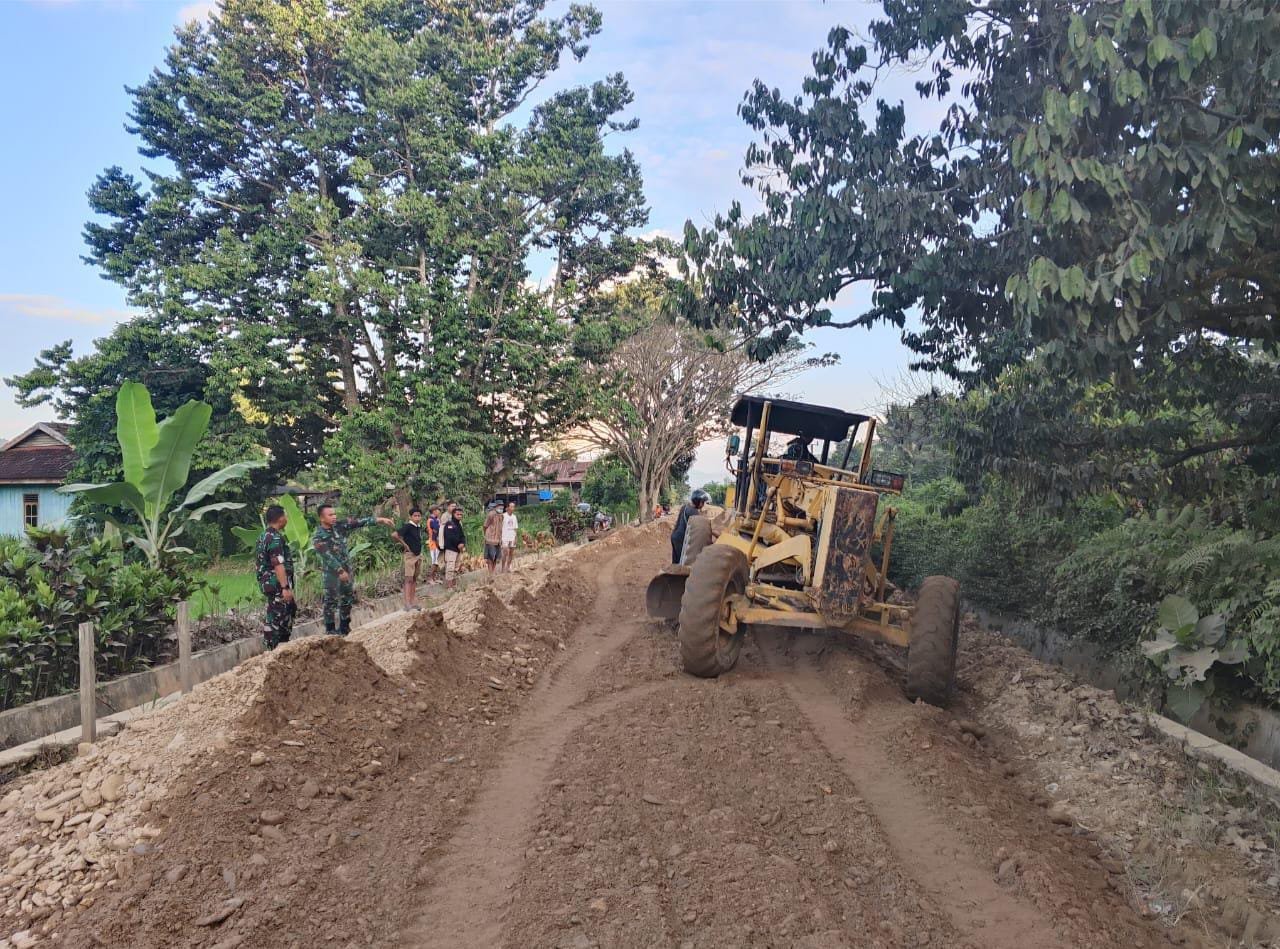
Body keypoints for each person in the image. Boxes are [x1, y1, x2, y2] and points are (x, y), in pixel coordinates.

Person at [312, 504, 395, 636]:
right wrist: (340, 571)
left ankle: (344, 628)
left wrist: (380, 520)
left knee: (347, 598)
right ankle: (330, 631)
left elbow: (358, 522)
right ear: (322, 518)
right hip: (332, 575)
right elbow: (326, 555)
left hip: (346, 571)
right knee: (330, 602)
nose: (334, 517)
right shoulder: (318, 536)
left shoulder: (340, 526)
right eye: (330, 515)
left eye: (334, 514)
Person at [255, 504, 296, 650]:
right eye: (285, 515)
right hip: (276, 583)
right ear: (280, 518)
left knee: (287, 610)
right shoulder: (275, 538)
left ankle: (281, 646)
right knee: (278, 615)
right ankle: (273, 648)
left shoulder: (264, 536)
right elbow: (278, 564)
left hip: (269, 582)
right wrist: (285, 587)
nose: (287, 518)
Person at [393, 507, 425, 610]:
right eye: (415, 516)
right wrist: (404, 544)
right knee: (408, 579)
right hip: (410, 555)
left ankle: (412, 601)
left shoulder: (418, 527)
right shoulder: (408, 526)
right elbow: (395, 535)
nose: (417, 517)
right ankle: (407, 603)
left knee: (414, 579)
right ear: (410, 517)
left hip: (418, 555)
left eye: (419, 516)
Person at [670, 489, 710, 564]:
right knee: (681, 563)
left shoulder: (685, 506)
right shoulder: (693, 511)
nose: (703, 505)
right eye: (702, 502)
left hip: (675, 536)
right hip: (681, 539)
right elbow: (701, 526)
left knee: (675, 561)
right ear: (697, 501)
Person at [441, 506, 467, 590]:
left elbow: (462, 536)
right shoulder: (449, 524)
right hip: (451, 549)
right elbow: (450, 537)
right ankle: (449, 587)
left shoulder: (459, 524)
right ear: (453, 514)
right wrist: (458, 544)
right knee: (450, 568)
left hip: (458, 549)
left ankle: (453, 585)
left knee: (456, 567)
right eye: (457, 514)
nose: (459, 516)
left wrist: (462, 543)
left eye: (461, 515)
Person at [483, 502, 503, 575]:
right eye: (499, 506)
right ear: (496, 507)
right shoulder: (491, 514)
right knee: (490, 557)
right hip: (490, 539)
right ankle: (490, 574)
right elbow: (485, 526)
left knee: (496, 557)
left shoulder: (501, 516)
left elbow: (500, 527)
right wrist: (486, 534)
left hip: (498, 540)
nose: (501, 508)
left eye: (502, 507)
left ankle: (492, 572)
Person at [500, 501, 519, 573]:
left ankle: (508, 566)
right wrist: (500, 537)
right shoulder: (503, 516)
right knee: (505, 552)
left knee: (511, 553)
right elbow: (500, 527)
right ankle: (503, 568)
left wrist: (516, 537)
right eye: (511, 506)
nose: (512, 508)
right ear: (507, 507)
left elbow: (515, 528)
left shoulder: (514, 517)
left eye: (513, 507)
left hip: (512, 537)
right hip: (504, 537)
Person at [426, 506, 443, 583]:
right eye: (438, 510)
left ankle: (434, 578)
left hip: (437, 542)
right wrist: (437, 543)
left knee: (437, 562)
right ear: (434, 511)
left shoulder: (436, 519)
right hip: (434, 543)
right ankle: (430, 578)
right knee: (434, 562)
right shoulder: (432, 520)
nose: (439, 512)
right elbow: (435, 532)